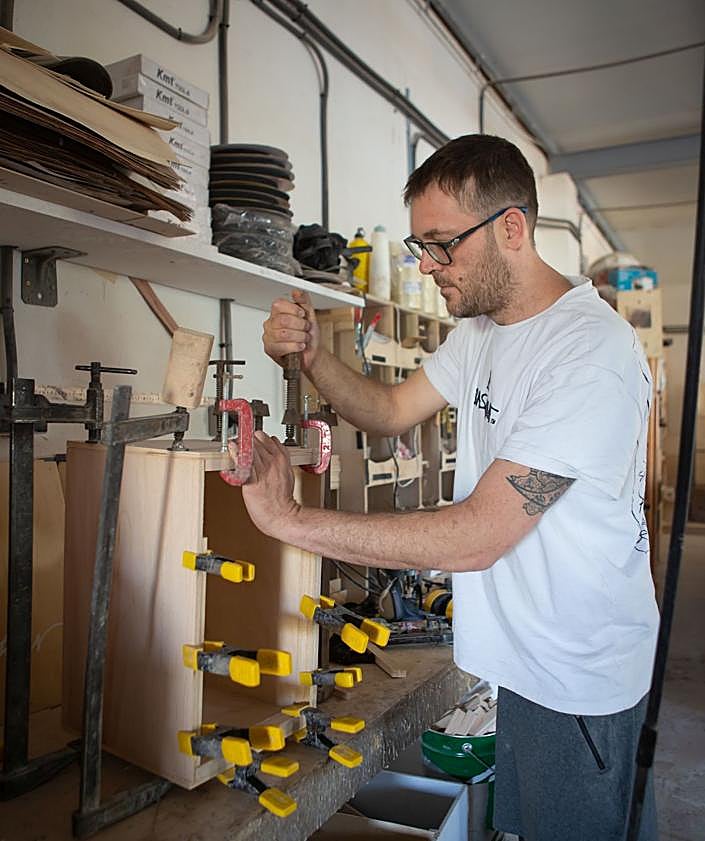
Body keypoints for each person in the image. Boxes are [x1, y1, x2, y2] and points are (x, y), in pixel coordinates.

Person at [238, 134, 660, 841]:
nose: (429, 266)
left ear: (511, 228)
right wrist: (313, 355)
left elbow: (475, 536)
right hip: (526, 663)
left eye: (442, 245)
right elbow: (388, 409)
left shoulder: (588, 353)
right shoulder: (482, 331)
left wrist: (290, 519)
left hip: (579, 675)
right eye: (419, 247)